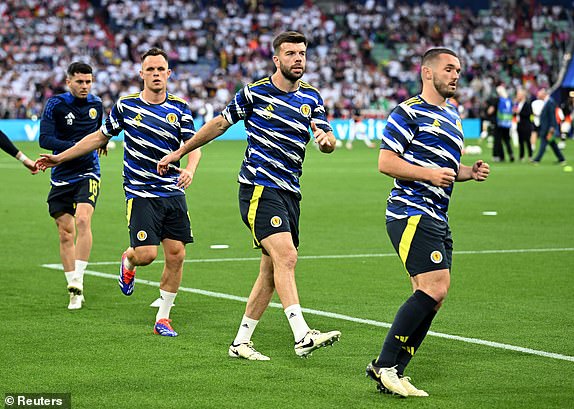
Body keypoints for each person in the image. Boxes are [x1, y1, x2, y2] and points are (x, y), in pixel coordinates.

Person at [157, 31, 341, 360]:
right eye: (290, 54)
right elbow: (219, 124)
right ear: (276, 59)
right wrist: (181, 152)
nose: (298, 59)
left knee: (271, 272)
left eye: (302, 53)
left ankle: (241, 342)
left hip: (290, 192)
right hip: (258, 187)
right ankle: (302, 334)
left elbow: (326, 134)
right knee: (286, 256)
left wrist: (327, 141)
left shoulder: (311, 98)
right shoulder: (255, 93)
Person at [37, 48, 202, 335]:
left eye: (160, 69)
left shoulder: (181, 108)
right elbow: (99, 137)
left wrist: (190, 168)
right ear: (141, 74)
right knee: (147, 254)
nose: (156, 74)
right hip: (139, 192)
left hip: (172, 190)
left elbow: (192, 144)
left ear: (169, 73)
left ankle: (163, 318)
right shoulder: (126, 106)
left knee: (176, 254)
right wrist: (60, 157)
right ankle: (129, 259)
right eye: (150, 70)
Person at [365, 48, 490, 397]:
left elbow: (446, 171)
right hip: (410, 211)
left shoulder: (454, 116)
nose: (455, 75)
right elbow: (386, 162)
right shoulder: (407, 112)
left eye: (459, 70)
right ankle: (384, 365)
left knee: (434, 296)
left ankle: (396, 372)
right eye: (449, 69)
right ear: (427, 72)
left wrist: (469, 173)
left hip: (437, 214)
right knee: (434, 288)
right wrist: (429, 175)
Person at [38, 62, 103, 310]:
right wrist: (77, 146)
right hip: (61, 174)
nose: (85, 86)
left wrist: (101, 143)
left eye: (88, 81)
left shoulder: (97, 105)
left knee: (84, 220)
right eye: (80, 82)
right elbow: (45, 139)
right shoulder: (56, 104)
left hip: (88, 172)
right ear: (69, 82)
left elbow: (99, 133)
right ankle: (73, 291)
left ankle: (78, 278)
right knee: (65, 232)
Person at [531, 88, 566, 165]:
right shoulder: (547, 102)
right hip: (546, 127)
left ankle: (537, 159)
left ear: (544, 94)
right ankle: (561, 159)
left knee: (543, 143)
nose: (538, 94)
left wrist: (552, 128)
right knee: (553, 144)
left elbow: (552, 116)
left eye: (539, 93)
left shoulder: (550, 102)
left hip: (548, 128)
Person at [487, 85, 514, 162]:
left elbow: (490, 111)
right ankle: (511, 154)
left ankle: (499, 156)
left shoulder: (497, 100)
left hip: (498, 123)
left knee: (498, 140)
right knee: (507, 140)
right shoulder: (508, 100)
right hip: (507, 122)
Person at [513, 88, 533, 161]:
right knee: (520, 141)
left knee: (527, 141)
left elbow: (529, 114)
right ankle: (521, 156)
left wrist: (519, 112)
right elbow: (515, 114)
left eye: (519, 95)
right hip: (519, 124)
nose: (517, 96)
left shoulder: (527, 104)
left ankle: (530, 156)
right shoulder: (517, 104)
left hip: (526, 125)